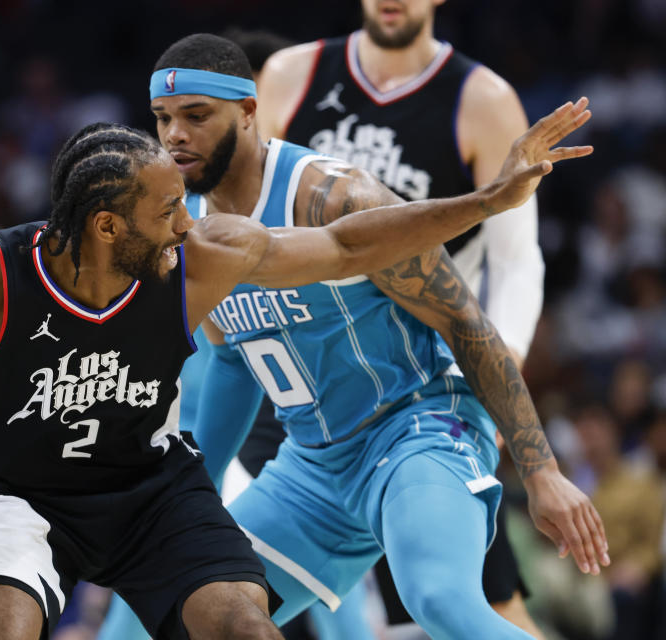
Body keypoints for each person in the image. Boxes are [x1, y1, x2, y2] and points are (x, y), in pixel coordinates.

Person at [0, 102, 585, 639]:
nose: (185, 222)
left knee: (242, 623)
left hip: (153, 492)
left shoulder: (195, 259)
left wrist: (486, 200)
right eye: (166, 210)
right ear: (102, 227)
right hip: (24, 496)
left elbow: (350, 244)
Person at [145, 33, 607, 640]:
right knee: (195, 618)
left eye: (196, 116)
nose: (176, 135)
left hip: (417, 428)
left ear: (249, 111)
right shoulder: (186, 228)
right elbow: (231, 361)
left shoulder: (331, 196)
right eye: (162, 119)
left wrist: (541, 470)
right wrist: (194, 492)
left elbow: (465, 321)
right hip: (312, 463)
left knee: (440, 602)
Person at [255, 2, 547, 633]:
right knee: (223, 598)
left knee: (467, 604)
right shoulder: (289, 74)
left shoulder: (483, 100)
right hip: (308, 390)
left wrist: (500, 383)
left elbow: (518, 263)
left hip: (422, 391)